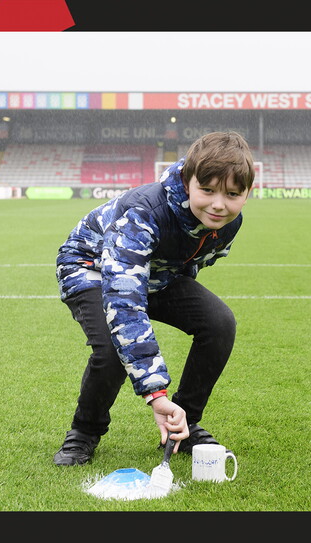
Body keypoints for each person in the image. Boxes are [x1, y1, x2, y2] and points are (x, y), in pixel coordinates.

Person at [52, 131, 255, 466]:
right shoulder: (143, 212)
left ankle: (184, 423)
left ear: (247, 193)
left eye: (232, 194)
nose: (219, 204)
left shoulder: (228, 223)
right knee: (112, 348)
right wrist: (155, 393)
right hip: (93, 267)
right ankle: (83, 433)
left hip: (157, 274)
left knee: (219, 323)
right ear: (188, 181)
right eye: (207, 190)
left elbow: (190, 261)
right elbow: (124, 299)